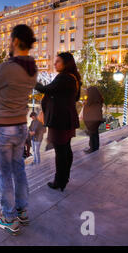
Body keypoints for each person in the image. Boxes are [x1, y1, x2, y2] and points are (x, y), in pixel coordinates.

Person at [0, 24, 38, 234]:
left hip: (3, 129)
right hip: (20, 127)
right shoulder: (31, 68)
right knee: (19, 170)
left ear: (14, 41)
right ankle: (21, 211)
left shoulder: (8, 68)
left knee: (4, 174)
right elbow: (7, 84)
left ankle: (8, 216)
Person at [35, 52, 81, 192]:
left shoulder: (64, 77)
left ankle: (59, 181)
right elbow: (74, 97)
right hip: (67, 118)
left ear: (66, 63)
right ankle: (64, 179)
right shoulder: (73, 78)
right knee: (66, 149)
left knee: (61, 151)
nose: (55, 64)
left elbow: (46, 89)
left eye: (58, 61)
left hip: (59, 120)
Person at [83, 86, 104, 154]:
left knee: (92, 134)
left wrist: (85, 104)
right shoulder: (98, 100)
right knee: (95, 134)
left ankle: (92, 148)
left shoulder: (91, 101)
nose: (86, 93)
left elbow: (88, 110)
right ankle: (95, 147)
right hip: (97, 119)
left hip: (91, 120)